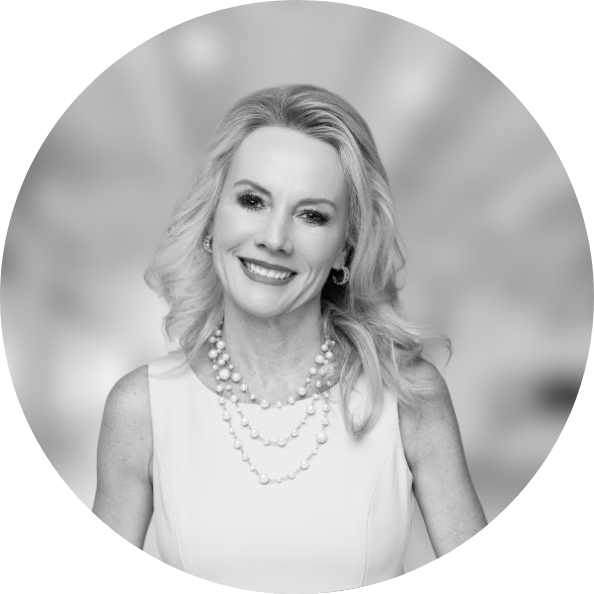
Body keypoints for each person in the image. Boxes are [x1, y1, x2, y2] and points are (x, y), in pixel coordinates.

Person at [92, 84, 487, 593]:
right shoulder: (141, 407)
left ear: (347, 246)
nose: (275, 239)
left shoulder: (409, 395)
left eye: (312, 215)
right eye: (253, 200)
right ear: (213, 215)